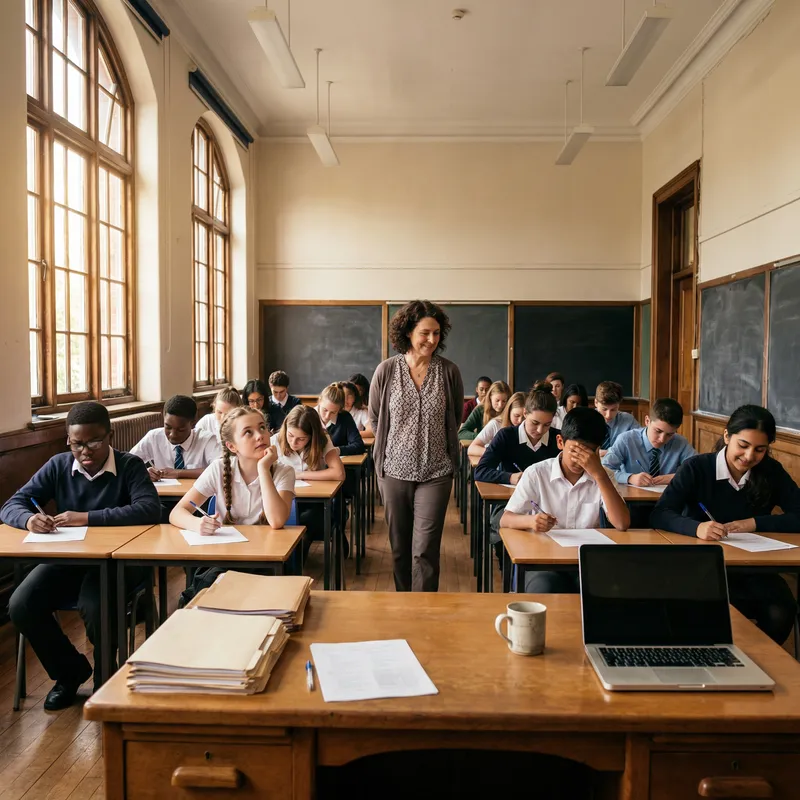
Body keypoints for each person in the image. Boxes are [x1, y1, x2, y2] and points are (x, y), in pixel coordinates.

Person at [0, 402, 160, 710]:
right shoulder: (59, 465)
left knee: (95, 603)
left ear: (109, 436)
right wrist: (30, 519)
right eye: (76, 444)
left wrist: (86, 517)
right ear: (68, 441)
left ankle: (105, 676)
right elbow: (12, 505)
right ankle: (70, 673)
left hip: (118, 563)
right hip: (70, 559)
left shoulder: (129, 466)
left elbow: (148, 508)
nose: (84, 451)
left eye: (93, 442)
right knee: (21, 604)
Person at [651, 404, 800, 645]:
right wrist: (696, 528)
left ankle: (756, 663)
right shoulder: (697, 468)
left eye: (760, 449)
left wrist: (754, 523)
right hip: (701, 566)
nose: (750, 456)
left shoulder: (770, 471)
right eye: (743, 445)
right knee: (701, 613)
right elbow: (661, 513)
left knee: (781, 610)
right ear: (727, 436)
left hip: (754, 568)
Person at [370, 300, 464, 592]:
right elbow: (375, 418)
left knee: (424, 551)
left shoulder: (448, 372)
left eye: (437, 333)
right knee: (399, 548)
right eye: (425, 333)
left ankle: (425, 610)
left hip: (436, 472)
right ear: (409, 332)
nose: (432, 340)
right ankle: (403, 604)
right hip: (394, 472)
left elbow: (456, 418)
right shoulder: (386, 371)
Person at [500, 406, 630, 593]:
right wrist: (531, 521)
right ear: (560, 442)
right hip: (544, 561)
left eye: (589, 454)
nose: (581, 461)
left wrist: (599, 475)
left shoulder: (604, 476)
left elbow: (622, 523)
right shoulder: (537, 473)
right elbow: (505, 519)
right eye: (576, 452)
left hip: (587, 560)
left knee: (606, 590)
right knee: (546, 589)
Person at [170, 406, 295, 532]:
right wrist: (196, 523)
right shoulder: (218, 468)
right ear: (232, 446)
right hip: (225, 548)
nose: (259, 436)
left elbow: (277, 521)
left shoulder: (284, 471)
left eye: (262, 427)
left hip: (268, 549)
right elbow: (176, 513)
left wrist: (263, 469)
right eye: (248, 432)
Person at [475, 383, 562, 563]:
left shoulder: (558, 438)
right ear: (524, 414)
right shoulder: (506, 436)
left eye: (546, 425)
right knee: (504, 534)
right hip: (511, 503)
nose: (539, 431)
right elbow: (481, 471)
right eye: (535, 423)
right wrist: (510, 477)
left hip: (549, 502)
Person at [272, 405, 346, 556]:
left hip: (314, 502)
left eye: (301, 439)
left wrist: (299, 475)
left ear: (312, 437)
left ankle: (295, 565)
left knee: (308, 520)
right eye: (291, 435)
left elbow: (339, 473)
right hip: (283, 500)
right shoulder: (274, 441)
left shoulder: (322, 441)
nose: (293, 442)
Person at [602, 398, 696, 487]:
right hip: (633, 500)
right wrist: (629, 478)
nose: (662, 439)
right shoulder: (626, 439)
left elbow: (699, 469)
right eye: (658, 431)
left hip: (668, 500)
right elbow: (604, 470)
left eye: (669, 434)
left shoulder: (680, 443)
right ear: (647, 421)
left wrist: (675, 477)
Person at [131, 395, 219, 480]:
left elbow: (221, 469)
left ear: (193, 423)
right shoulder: (154, 437)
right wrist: (145, 472)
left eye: (180, 429)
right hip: (162, 494)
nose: (172, 434)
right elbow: (128, 463)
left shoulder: (207, 440)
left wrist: (179, 473)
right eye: (168, 427)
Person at [467, 390, 526, 459]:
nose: (520, 421)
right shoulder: (496, 424)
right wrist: (495, 453)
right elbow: (472, 449)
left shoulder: (533, 428)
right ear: (509, 411)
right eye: (516, 415)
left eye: (525, 417)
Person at [315, 383, 366, 457]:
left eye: (333, 412)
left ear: (340, 409)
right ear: (319, 401)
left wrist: (336, 450)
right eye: (325, 410)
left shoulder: (344, 417)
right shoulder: (308, 416)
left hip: (340, 463)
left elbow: (359, 446)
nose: (327, 416)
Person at [594, 380, 640, 456]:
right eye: (604, 409)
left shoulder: (629, 420)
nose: (608, 415)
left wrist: (608, 452)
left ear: (619, 405)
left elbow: (639, 444)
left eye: (613, 409)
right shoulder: (586, 420)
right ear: (596, 403)